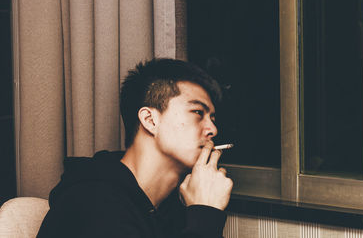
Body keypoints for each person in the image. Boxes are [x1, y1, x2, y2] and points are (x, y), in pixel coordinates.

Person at [37, 58, 233, 238]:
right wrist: (205, 215)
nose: (213, 129)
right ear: (150, 120)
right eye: (198, 112)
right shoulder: (93, 204)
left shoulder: (171, 209)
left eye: (213, 119)